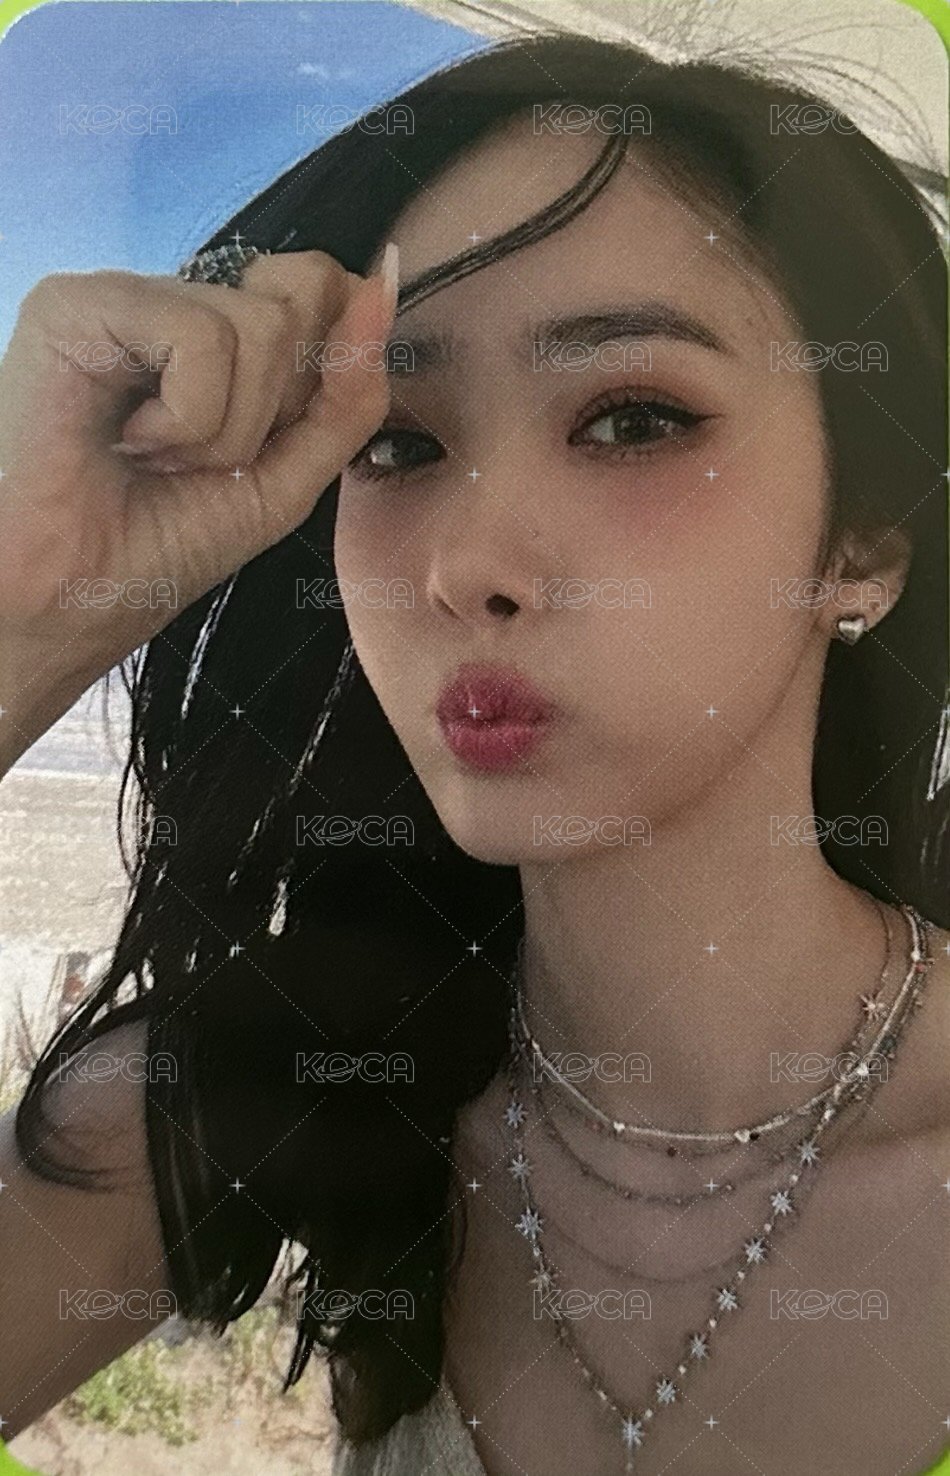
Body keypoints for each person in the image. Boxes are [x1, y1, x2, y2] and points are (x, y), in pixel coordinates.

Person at [0, 31, 948, 1476]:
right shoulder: (259, 1087)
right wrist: (27, 616)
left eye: (631, 419)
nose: (465, 567)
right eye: (393, 444)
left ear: (864, 542)